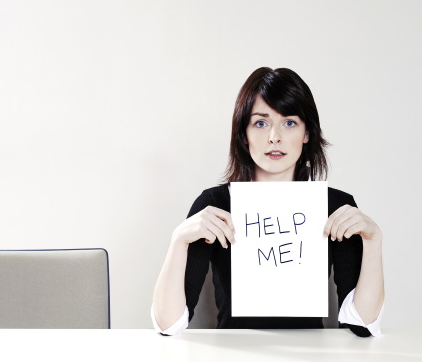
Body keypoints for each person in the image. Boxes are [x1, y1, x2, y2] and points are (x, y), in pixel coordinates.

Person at [152, 67, 384, 337]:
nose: (274, 137)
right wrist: (178, 240)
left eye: (289, 122)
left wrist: (373, 239)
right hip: (234, 354)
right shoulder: (215, 205)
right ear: (244, 134)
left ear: (307, 133)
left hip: (311, 355)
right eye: (260, 123)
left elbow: (363, 325)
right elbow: (168, 325)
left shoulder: (335, 206)